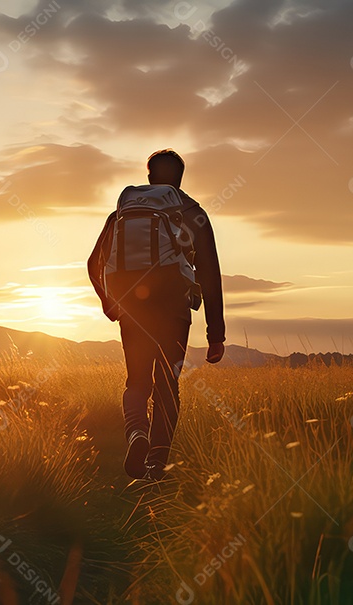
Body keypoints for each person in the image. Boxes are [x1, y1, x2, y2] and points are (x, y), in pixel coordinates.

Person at [87, 149, 226, 480]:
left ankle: (137, 434)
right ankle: (157, 464)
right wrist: (215, 334)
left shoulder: (122, 211)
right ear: (180, 178)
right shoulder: (192, 212)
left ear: (149, 177)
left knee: (137, 382)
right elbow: (209, 272)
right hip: (173, 303)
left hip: (130, 304)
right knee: (167, 382)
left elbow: (94, 264)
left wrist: (110, 304)